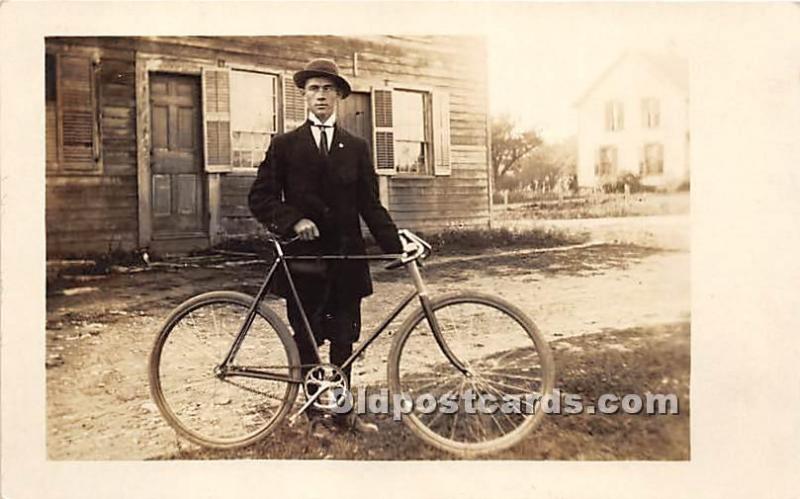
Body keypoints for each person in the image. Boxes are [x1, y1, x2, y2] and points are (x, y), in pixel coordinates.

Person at [248, 58, 403, 433]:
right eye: (314, 88)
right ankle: (316, 416)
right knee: (308, 339)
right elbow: (260, 197)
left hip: (347, 259)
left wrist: (396, 246)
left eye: (328, 89)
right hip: (304, 262)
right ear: (304, 95)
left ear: (339, 96)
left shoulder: (357, 147)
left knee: (345, 339)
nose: (321, 95)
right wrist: (293, 221)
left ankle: (343, 415)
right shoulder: (284, 145)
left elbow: (370, 204)